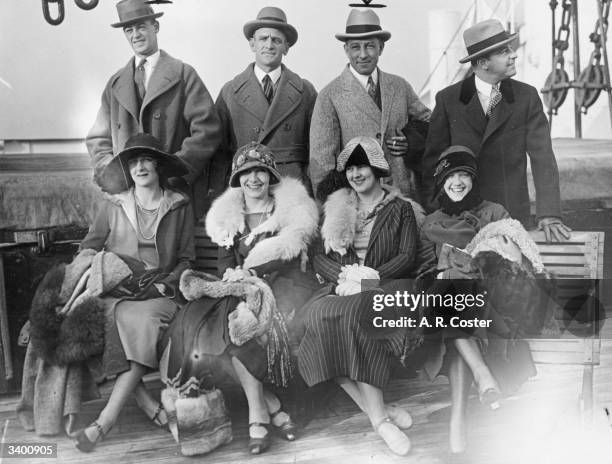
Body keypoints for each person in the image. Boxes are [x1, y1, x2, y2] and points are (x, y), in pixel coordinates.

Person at [162, 142, 319, 455]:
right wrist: (233, 275)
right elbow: (225, 263)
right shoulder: (228, 218)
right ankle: (265, 407)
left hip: (285, 289)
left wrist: (252, 281)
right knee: (207, 320)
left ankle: (261, 414)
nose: (254, 179)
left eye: (260, 171)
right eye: (246, 173)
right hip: (244, 289)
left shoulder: (290, 211)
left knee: (235, 319)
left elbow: (288, 261)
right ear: (237, 179)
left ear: (271, 175)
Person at [419, 145, 548, 455]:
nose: (458, 182)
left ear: (474, 179)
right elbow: (423, 270)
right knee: (446, 292)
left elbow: (516, 262)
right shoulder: (431, 221)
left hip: (493, 307)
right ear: (441, 181)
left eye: (465, 174)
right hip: (451, 308)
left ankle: (459, 418)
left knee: (452, 307)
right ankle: (479, 385)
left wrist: (515, 257)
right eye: (451, 175)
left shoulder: (494, 213)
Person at [297, 137, 420, 456]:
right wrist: (344, 276)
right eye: (350, 168)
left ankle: (379, 420)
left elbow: (407, 256)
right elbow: (316, 253)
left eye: (362, 166)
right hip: (343, 285)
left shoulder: (400, 208)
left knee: (352, 315)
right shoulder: (337, 207)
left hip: (386, 287)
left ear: (378, 169)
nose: (356, 173)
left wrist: (369, 277)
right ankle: (379, 414)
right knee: (319, 318)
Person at [73, 133, 195, 452]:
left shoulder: (179, 205)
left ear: (158, 165)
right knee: (106, 317)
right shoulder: (112, 205)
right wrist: (95, 270)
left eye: (147, 159)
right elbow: (89, 247)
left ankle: (105, 421)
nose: (140, 166)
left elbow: (186, 260)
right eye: (134, 161)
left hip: (160, 295)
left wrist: (165, 284)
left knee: (138, 322)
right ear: (128, 169)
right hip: (118, 292)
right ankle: (148, 406)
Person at [421, 19, 571, 242]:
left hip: (512, 217)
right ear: (483, 62)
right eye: (504, 51)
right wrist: (439, 211)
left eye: (511, 49)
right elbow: (432, 163)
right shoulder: (448, 100)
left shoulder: (526, 97)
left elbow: (544, 159)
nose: (514, 55)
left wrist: (549, 214)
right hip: (462, 220)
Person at [86, 0, 221, 218]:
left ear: (155, 27)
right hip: (128, 195)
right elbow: (98, 140)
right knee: (130, 250)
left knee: (170, 250)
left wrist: (174, 170)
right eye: (129, 30)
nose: (135, 35)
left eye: (141, 27)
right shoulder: (115, 83)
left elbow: (207, 131)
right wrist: (115, 175)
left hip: (173, 192)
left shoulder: (184, 75)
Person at [309, 8, 430, 199]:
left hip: (403, 193)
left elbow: (430, 123)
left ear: (381, 48)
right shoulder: (329, 95)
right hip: (357, 198)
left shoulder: (400, 86)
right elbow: (321, 163)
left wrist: (410, 141)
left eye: (370, 46)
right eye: (356, 47)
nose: (363, 54)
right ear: (346, 50)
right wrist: (333, 208)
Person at [212, 6, 317, 192]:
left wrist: (311, 190)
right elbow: (218, 153)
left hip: (292, 187)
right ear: (252, 44)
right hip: (245, 186)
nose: (269, 45)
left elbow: (316, 151)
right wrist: (219, 195)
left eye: (276, 40)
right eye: (263, 39)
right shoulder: (230, 92)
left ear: (286, 47)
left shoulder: (306, 92)